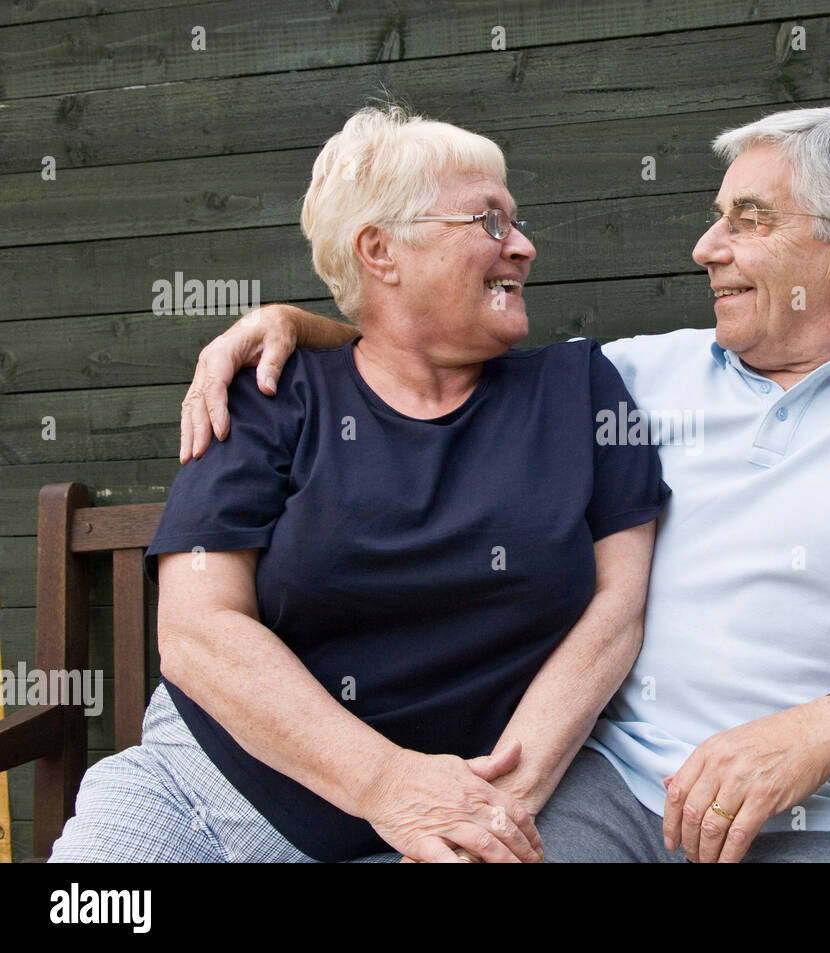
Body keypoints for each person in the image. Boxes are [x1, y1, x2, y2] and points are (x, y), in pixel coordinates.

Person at [181, 106, 830, 863]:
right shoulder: (642, 376)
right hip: (611, 794)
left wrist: (825, 730)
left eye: (747, 219)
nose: (705, 247)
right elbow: (430, 347)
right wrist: (293, 323)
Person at [49, 105, 669, 863]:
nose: (525, 247)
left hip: (462, 811)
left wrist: (488, 811)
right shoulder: (270, 391)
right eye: (490, 221)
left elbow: (615, 612)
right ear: (381, 250)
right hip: (208, 792)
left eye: (517, 221)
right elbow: (196, 631)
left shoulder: (580, 392)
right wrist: (388, 785)